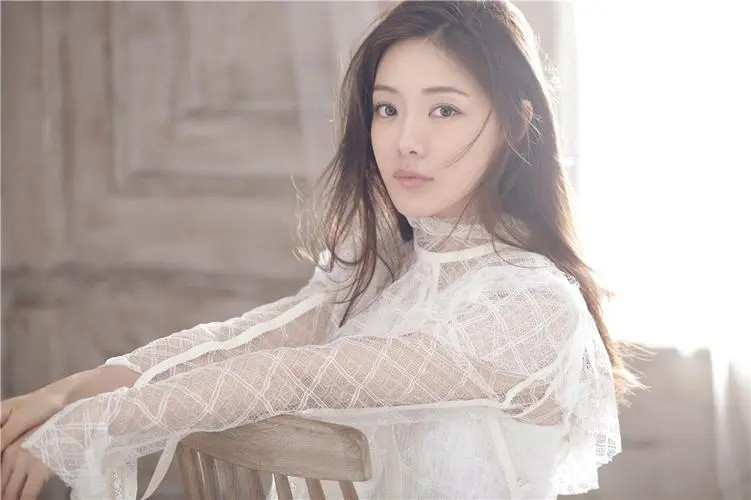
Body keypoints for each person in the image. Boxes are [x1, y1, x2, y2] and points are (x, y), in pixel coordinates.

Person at [0, 1, 642, 499]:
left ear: (516, 125)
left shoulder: (529, 309)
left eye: (444, 111)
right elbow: (244, 341)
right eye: (387, 109)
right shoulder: (386, 267)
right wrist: (70, 393)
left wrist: (90, 428)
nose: (406, 141)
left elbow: (297, 375)